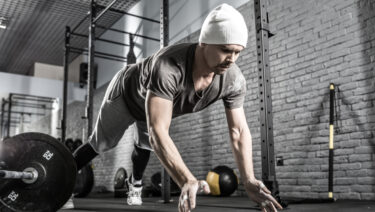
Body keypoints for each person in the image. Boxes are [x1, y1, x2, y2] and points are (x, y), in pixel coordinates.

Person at [64, 3, 283, 212]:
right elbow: (158, 132)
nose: (231, 59)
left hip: (151, 104)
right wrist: (186, 179)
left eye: (238, 52)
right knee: (101, 143)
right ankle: (61, 184)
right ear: (204, 42)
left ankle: (135, 184)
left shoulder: (233, 80)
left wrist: (249, 179)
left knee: (143, 146)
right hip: (127, 94)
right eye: (226, 50)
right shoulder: (168, 66)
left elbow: (239, 131)